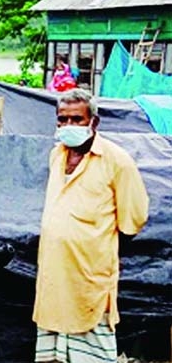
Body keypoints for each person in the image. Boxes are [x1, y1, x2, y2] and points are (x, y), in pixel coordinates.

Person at [34, 89, 149, 363]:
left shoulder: (117, 161)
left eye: (77, 119)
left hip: (89, 279)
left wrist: (96, 251)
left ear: (93, 123)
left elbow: (133, 221)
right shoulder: (57, 156)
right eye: (63, 120)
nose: (69, 126)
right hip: (53, 275)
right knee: (52, 355)